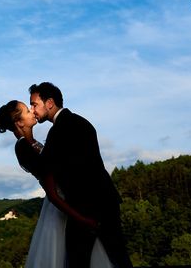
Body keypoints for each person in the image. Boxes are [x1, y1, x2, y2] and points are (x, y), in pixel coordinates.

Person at [0, 100, 113, 268]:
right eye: (28, 111)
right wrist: (83, 219)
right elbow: (52, 193)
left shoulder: (32, 143)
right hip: (62, 210)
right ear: (19, 122)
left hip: (71, 202)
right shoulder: (24, 148)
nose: (33, 112)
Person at [27, 82, 133, 268]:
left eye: (34, 104)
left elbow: (44, 167)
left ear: (50, 103)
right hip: (108, 202)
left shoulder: (58, 131)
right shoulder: (82, 122)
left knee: (77, 262)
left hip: (85, 208)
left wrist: (28, 139)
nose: (32, 109)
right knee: (120, 258)